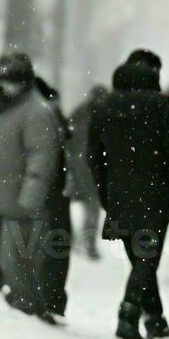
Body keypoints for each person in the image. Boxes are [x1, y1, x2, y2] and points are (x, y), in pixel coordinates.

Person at [88, 50, 169, 339]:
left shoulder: (102, 107)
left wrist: (104, 193)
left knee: (139, 258)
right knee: (146, 258)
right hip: (155, 193)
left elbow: (93, 157)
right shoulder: (162, 106)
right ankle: (129, 313)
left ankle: (155, 318)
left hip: (118, 193)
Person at [0, 52, 71, 323]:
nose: (6, 85)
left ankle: (28, 309)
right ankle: (25, 307)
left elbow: (41, 158)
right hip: (0, 197)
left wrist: (29, 199)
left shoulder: (35, 112)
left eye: (12, 79)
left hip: (16, 201)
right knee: (9, 259)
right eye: (3, 79)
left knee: (16, 261)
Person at [67, 85, 109, 260]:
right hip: (91, 166)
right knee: (92, 207)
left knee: (87, 207)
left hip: (81, 165)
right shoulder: (104, 115)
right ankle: (87, 242)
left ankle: (78, 240)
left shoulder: (79, 113)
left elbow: (68, 138)